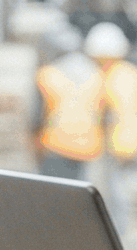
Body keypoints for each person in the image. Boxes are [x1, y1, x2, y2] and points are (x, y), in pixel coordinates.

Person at [85, 21, 137, 209]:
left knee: (112, 192)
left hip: (111, 144)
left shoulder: (103, 77)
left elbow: (99, 111)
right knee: (120, 188)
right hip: (134, 141)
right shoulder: (133, 73)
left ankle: (118, 231)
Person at [31, 24, 103, 180]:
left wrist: (34, 146)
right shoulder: (96, 74)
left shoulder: (46, 75)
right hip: (88, 146)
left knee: (53, 198)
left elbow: (36, 117)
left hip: (55, 146)